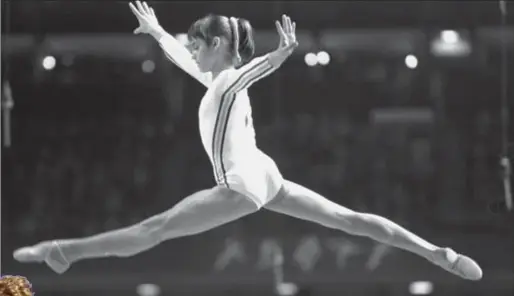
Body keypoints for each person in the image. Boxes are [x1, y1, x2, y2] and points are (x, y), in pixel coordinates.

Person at [13, 1, 482, 281]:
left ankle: (65, 252)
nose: (191, 48)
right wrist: (157, 31)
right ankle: (437, 255)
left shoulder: (229, 79)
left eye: (198, 42)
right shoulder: (215, 80)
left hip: (242, 184)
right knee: (350, 220)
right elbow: (183, 60)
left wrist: (280, 55)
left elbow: (246, 74)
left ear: (218, 46)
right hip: (264, 170)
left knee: (152, 230)